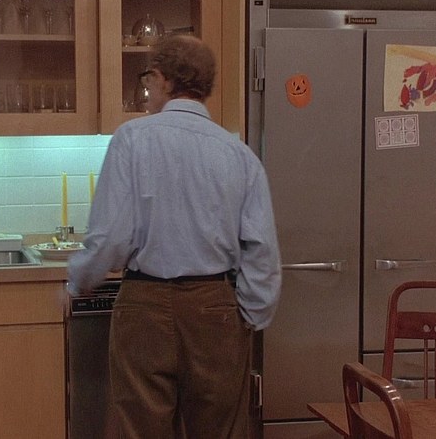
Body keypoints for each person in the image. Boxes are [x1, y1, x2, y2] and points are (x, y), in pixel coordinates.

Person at [67, 34, 282, 438]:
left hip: (144, 305)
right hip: (215, 306)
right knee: (218, 430)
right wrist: (248, 317)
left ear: (165, 79)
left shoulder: (132, 139)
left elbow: (110, 238)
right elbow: (262, 252)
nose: (147, 90)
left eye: (149, 80)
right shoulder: (238, 154)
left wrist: (78, 281)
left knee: (139, 429)